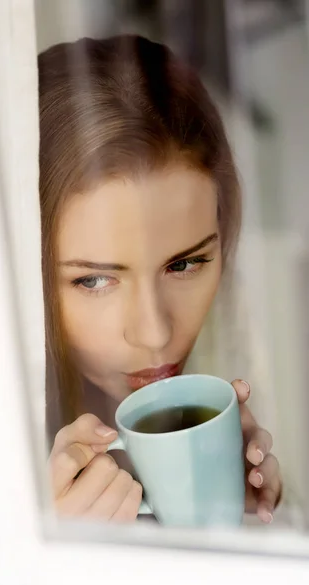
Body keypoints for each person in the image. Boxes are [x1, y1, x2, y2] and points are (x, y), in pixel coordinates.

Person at [38, 35, 282, 524]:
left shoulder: (251, 379)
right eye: (93, 281)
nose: (155, 333)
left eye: (184, 264)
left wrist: (239, 532)